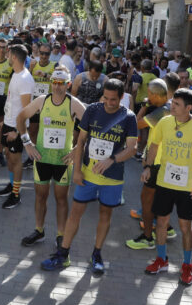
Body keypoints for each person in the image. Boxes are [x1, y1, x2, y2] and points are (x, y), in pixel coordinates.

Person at [41, 79, 138, 275]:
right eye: (106, 98)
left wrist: (112, 159)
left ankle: (97, 254)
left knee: (105, 215)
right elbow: (81, 141)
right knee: (75, 213)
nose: (109, 103)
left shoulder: (128, 117)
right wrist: (77, 170)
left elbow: (132, 149)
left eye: (114, 100)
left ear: (121, 98)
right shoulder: (93, 110)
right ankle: (63, 254)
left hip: (112, 178)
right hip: (87, 174)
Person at [143, 89, 192, 285]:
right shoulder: (165, 122)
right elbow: (154, 145)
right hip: (164, 182)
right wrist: (148, 167)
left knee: (185, 226)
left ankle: (187, 265)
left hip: (187, 187)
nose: (171, 106)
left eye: (176, 104)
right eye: (172, 103)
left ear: (189, 107)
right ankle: (161, 259)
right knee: (162, 222)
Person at [18, 67, 86, 246]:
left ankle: (61, 234)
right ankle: (39, 230)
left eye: (61, 84)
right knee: (40, 196)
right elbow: (21, 117)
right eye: (54, 83)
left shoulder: (73, 103)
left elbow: (92, 128)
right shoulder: (42, 101)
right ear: (50, 83)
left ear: (68, 84)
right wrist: (27, 143)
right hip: (41, 158)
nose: (57, 87)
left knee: (61, 198)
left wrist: (77, 149)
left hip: (63, 161)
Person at [125, 78, 171, 251]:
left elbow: (136, 123)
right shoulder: (168, 108)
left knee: (147, 199)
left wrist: (143, 106)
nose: (147, 96)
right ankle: (167, 228)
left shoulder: (162, 112)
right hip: (163, 160)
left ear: (155, 94)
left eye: (149, 94)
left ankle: (147, 237)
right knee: (159, 198)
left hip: (157, 162)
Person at [0, 44, 35, 209]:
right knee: (8, 156)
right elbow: (12, 101)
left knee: (16, 160)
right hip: (8, 123)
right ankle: (12, 185)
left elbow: (27, 110)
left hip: (16, 128)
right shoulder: (16, 74)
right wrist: (4, 121)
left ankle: (16, 194)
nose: (6, 54)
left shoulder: (25, 79)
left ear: (14, 57)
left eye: (8, 53)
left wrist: (16, 131)